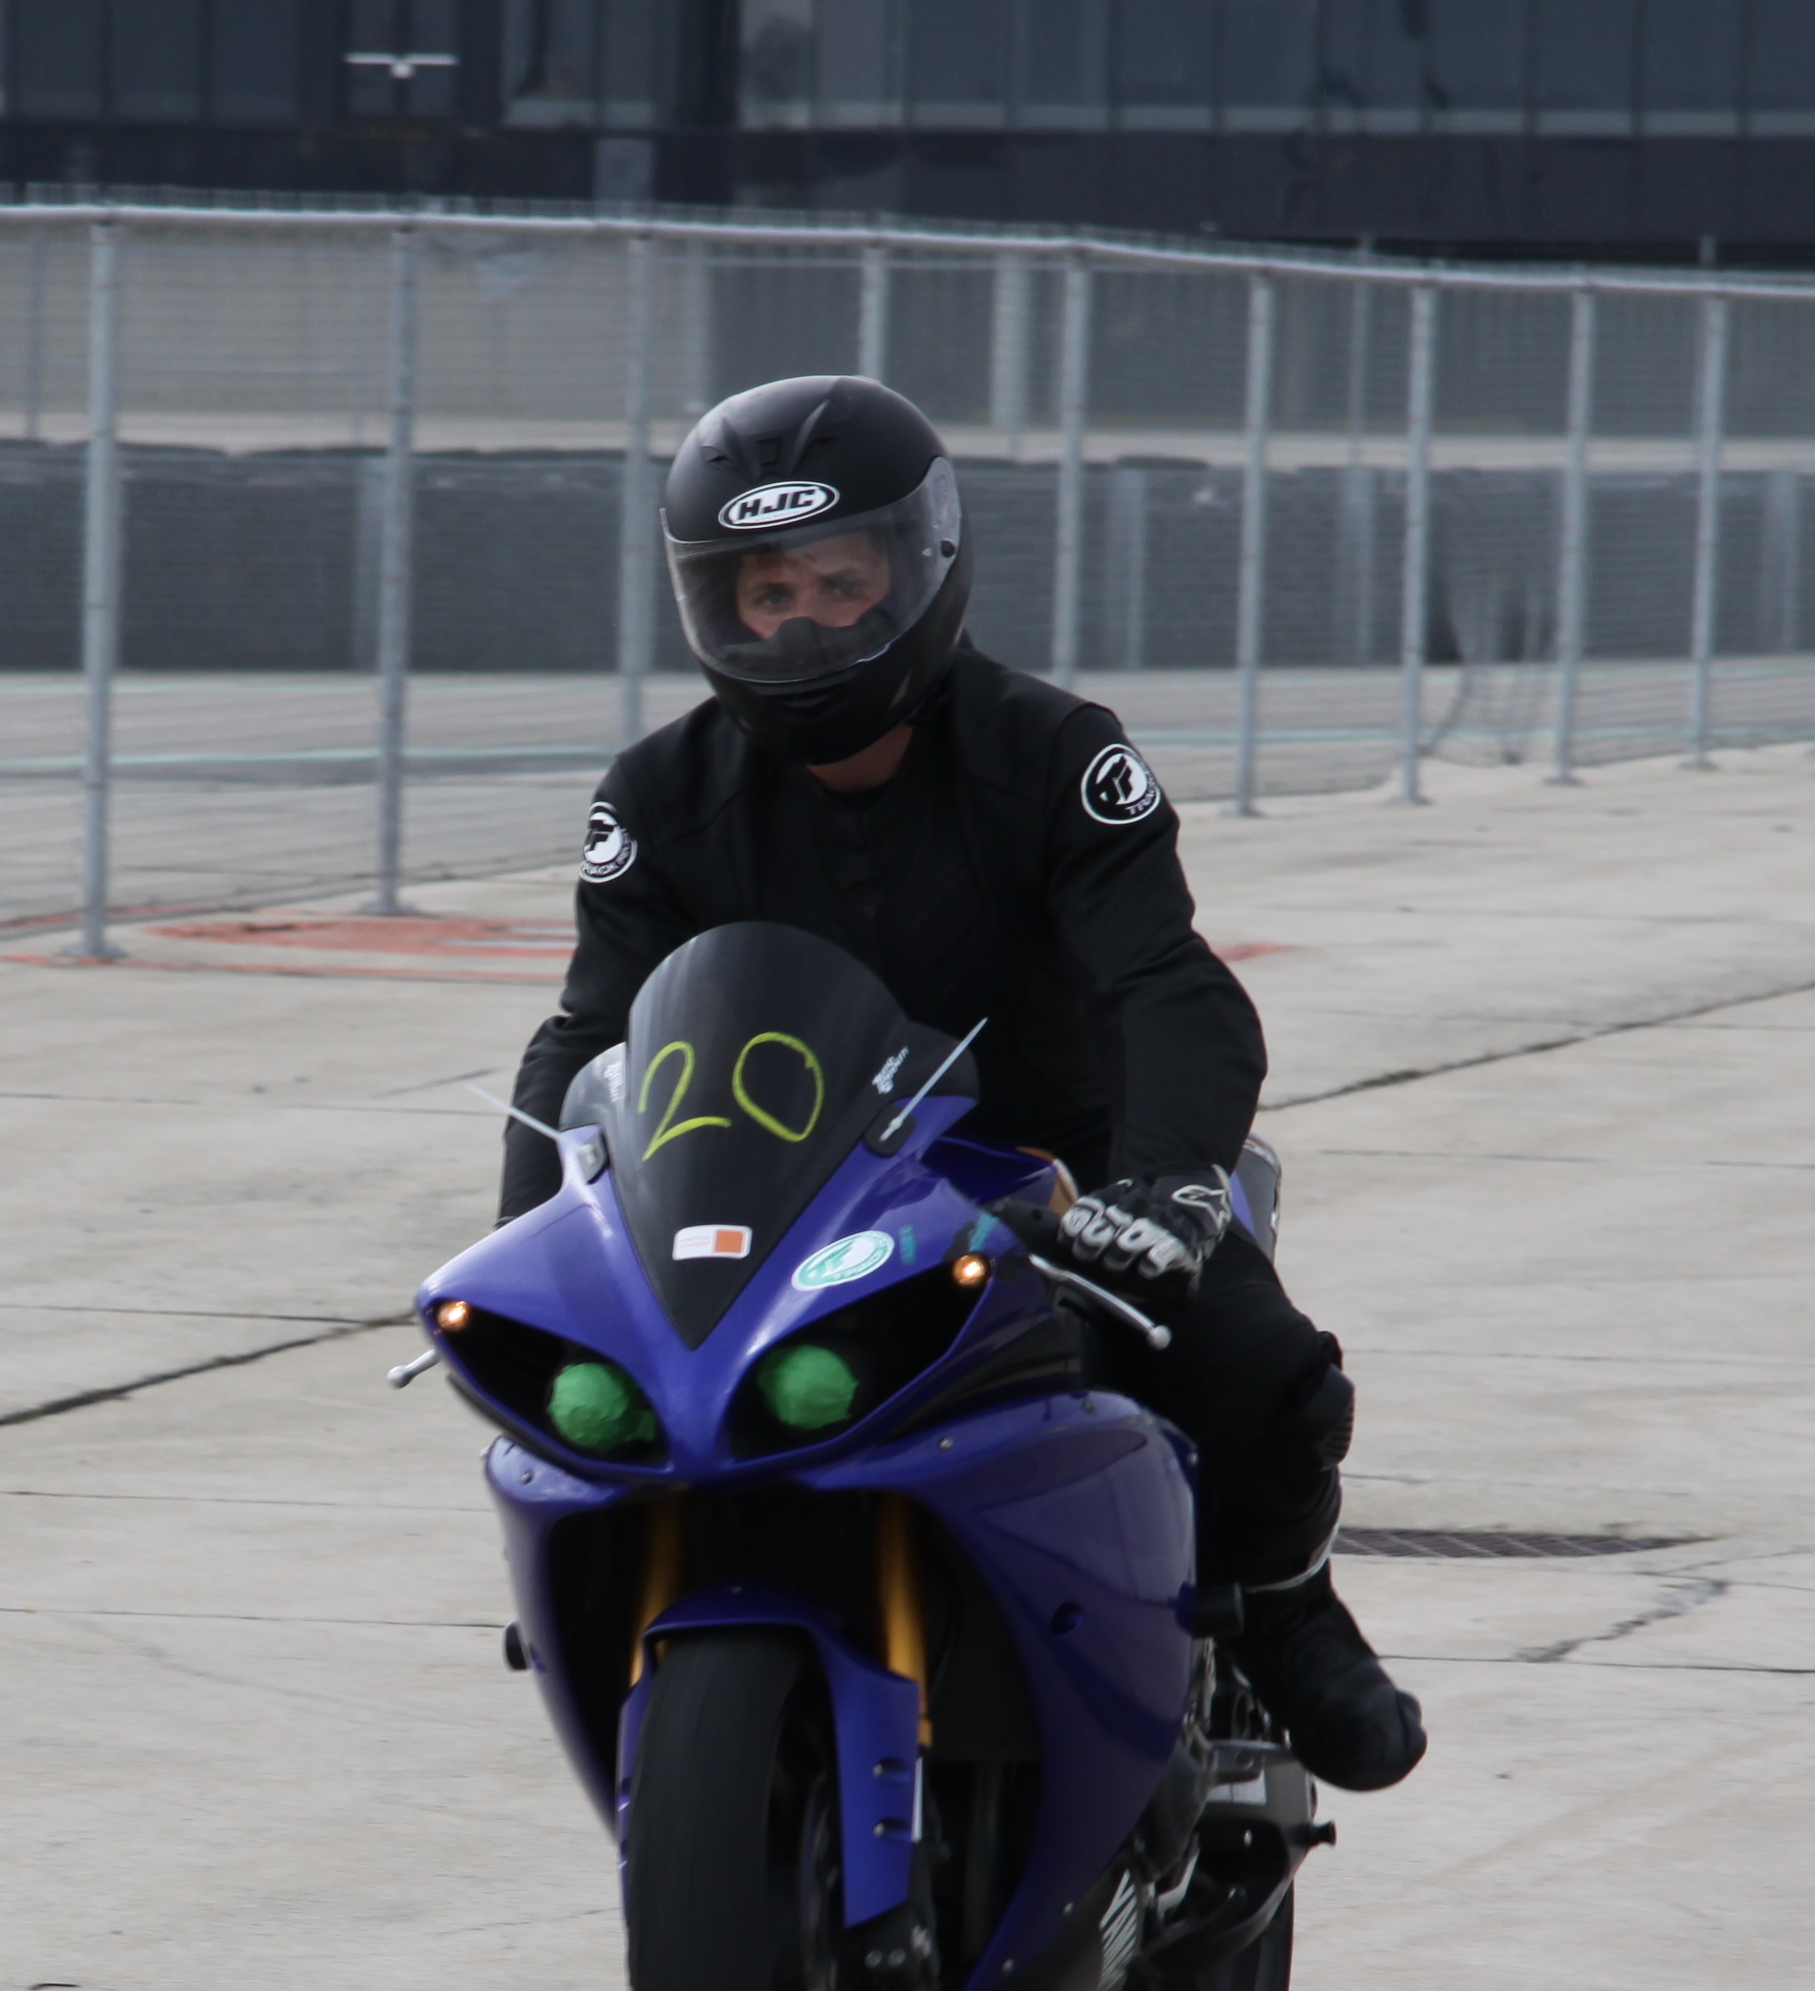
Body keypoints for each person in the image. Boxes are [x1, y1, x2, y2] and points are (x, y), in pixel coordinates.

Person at [495, 373, 1427, 1793]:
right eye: (766, 593)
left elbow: (1166, 984)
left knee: (1265, 1373)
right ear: (713, 606)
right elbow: (588, 1036)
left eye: (840, 581)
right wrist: (539, 1240)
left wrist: (1169, 1186)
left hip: (1062, 1177)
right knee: (606, 1414)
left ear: (919, 564)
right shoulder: (656, 796)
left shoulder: (1055, 753)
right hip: (787, 1197)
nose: (804, 623)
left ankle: (1286, 1608)